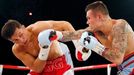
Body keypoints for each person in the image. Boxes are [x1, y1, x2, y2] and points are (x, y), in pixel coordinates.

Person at [45, 1, 134, 75]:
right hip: (123, 69)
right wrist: (54, 34)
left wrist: (96, 46)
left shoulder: (120, 26)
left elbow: (117, 59)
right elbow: (74, 35)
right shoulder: (96, 30)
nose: (87, 22)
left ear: (99, 17)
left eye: (89, 18)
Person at [1, 20, 75, 75]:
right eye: (15, 40)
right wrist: (44, 49)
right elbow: (37, 69)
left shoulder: (39, 28)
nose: (21, 40)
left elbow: (65, 24)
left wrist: (78, 45)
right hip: (40, 71)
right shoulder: (17, 49)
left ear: (23, 27)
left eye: (21, 35)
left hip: (59, 65)